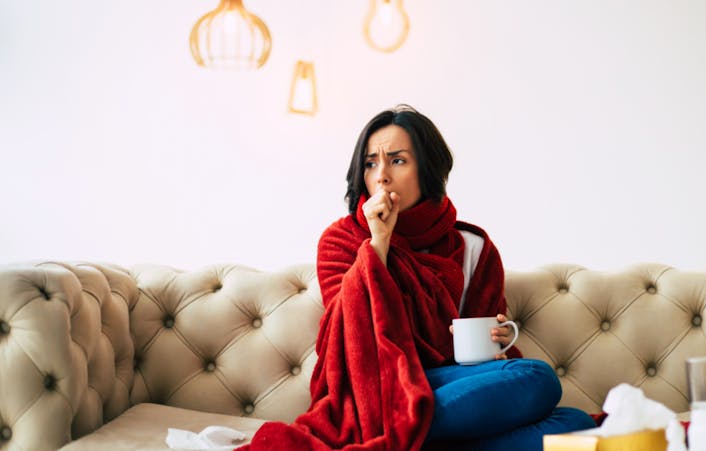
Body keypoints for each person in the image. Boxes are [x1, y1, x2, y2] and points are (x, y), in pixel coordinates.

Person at [241, 105, 595, 451]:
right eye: (370, 163)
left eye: (397, 160)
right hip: (375, 389)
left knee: (574, 423)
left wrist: (498, 345)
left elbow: (485, 352)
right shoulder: (342, 240)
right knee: (540, 379)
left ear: (427, 169)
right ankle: (394, 430)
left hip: (445, 382)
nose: (381, 175)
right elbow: (347, 334)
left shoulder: (473, 247)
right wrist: (377, 244)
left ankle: (399, 438)